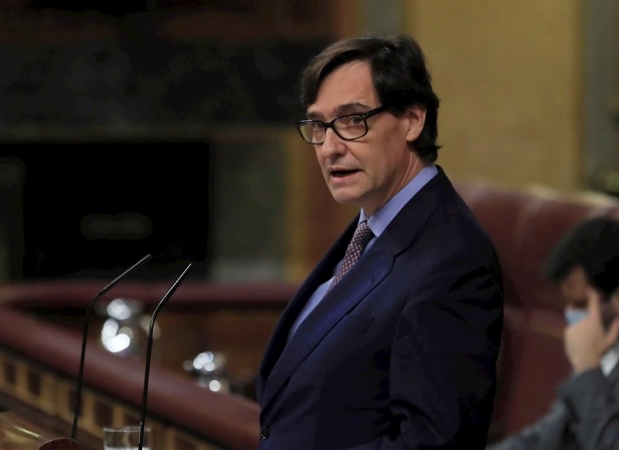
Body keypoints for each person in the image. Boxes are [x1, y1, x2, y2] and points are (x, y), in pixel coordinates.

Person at [255, 33, 504, 449]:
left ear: (412, 120)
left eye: (353, 120)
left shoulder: (453, 260)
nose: (329, 148)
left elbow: (434, 442)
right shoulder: (371, 228)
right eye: (318, 125)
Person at [486, 216, 619, 450]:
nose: (572, 317)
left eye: (580, 304)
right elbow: (545, 438)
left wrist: (588, 369)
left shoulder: (592, 360)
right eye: (566, 305)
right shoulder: (604, 352)